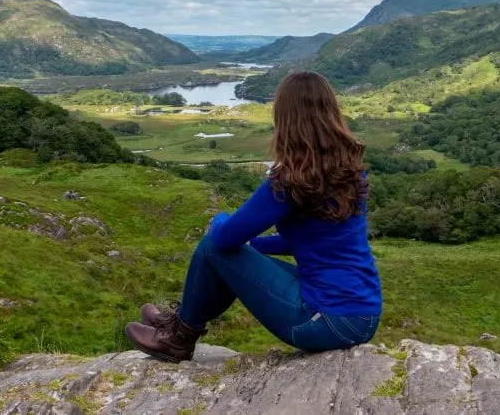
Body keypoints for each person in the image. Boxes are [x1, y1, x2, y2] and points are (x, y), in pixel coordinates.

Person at [125, 71, 382, 362]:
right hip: (363, 316)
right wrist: (253, 248)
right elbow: (316, 240)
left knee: (212, 247)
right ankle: (179, 324)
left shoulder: (289, 181)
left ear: (285, 118)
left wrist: (219, 218)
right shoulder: (350, 171)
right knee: (228, 252)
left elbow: (224, 237)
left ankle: (178, 338)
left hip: (325, 322)